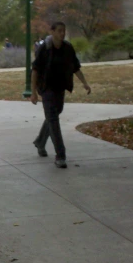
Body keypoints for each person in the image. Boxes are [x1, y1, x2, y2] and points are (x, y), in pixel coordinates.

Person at [30, 22, 92, 169]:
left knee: (54, 114)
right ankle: (60, 155)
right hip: (46, 88)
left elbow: (75, 67)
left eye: (63, 31)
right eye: (59, 31)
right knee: (53, 119)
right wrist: (33, 92)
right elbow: (35, 70)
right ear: (52, 31)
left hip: (60, 87)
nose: (62, 34)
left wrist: (85, 83)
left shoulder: (67, 48)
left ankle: (40, 142)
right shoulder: (44, 48)